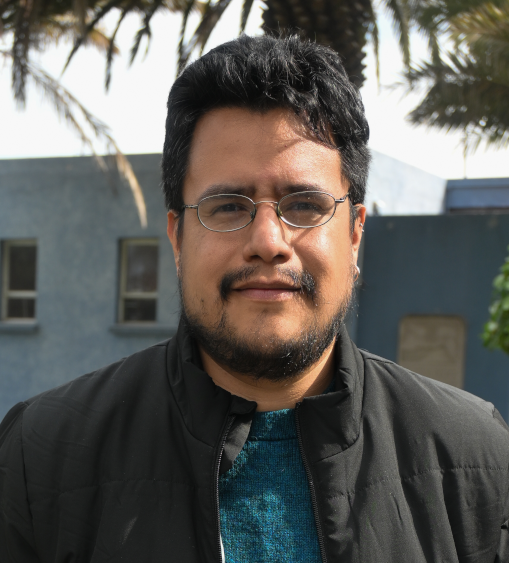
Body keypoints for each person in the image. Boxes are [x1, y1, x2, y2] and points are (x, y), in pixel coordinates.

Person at [1, 34, 509, 563]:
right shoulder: (39, 460)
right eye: (227, 206)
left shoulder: (476, 461)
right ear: (177, 239)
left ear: (355, 234)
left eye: (305, 204)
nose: (268, 242)